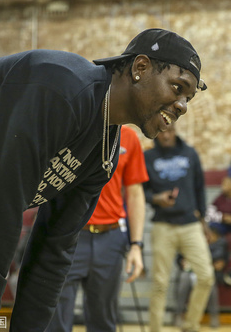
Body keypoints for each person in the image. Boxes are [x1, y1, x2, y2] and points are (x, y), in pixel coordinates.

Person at [0, 28, 206, 330]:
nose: (182, 105)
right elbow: (2, 210)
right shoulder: (61, 88)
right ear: (140, 68)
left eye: (188, 98)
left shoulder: (104, 152)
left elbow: (54, 249)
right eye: (177, 87)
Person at [46, 125, 149, 331]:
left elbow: (135, 193)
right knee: (55, 319)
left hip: (110, 238)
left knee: (103, 320)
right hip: (70, 235)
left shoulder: (128, 137)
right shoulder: (70, 129)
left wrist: (136, 245)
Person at [144, 123, 214, 332]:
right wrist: (156, 198)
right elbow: (140, 191)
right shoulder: (148, 157)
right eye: (162, 131)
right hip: (163, 226)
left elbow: (200, 188)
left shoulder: (189, 153)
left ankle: (191, 326)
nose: (166, 135)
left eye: (170, 131)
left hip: (190, 225)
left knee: (206, 276)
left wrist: (204, 222)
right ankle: (154, 329)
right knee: (160, 283)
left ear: (175, 131)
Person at [175, 225, 229, 329]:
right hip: (190, 271)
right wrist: (182, 262)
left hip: (206, 272)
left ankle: (213, 316)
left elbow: (221, 260)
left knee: (210, 283)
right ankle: (179, 314)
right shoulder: (189, 241)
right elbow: (180, 257)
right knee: (183, 281)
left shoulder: (219, 243)